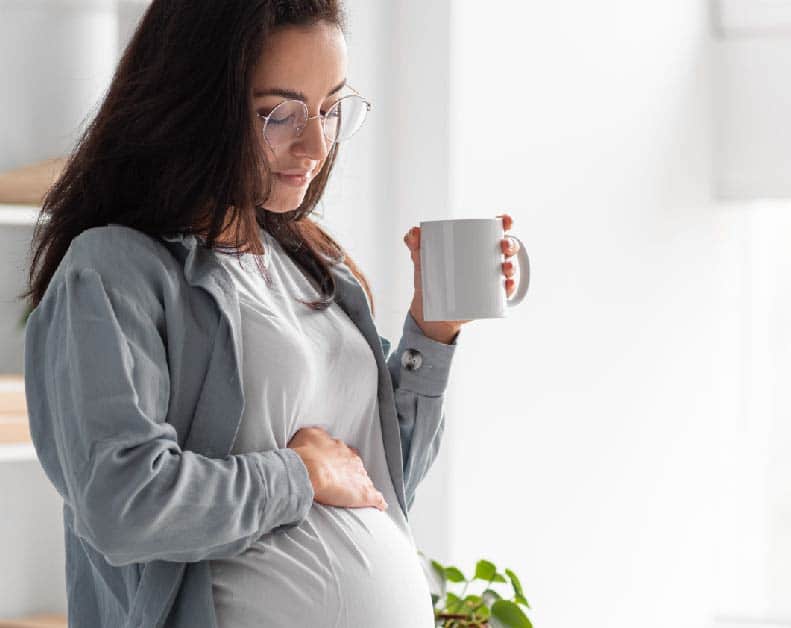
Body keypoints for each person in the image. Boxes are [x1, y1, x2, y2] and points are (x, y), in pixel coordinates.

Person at [19, 1, 521, 626]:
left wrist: (433, 333)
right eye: (278, 113)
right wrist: (299, 475)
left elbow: (381, 493)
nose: (315, 144)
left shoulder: (316, 268)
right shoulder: (113, 270)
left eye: (331, 108)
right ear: (195, 102)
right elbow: (124, 503)